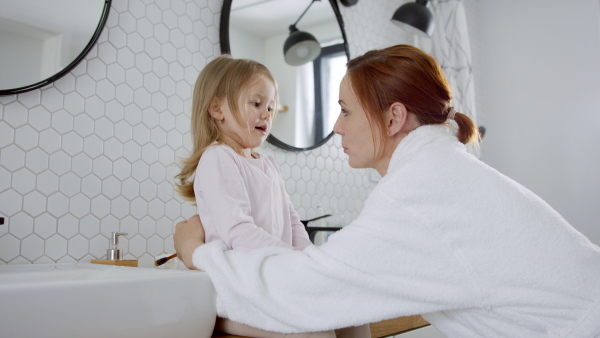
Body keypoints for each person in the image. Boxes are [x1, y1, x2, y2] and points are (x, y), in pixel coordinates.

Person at [174, 45, 600, 337]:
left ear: (394, 118)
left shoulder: (420, 194)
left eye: (344, 111)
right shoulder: (441, 173)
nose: (337, 126)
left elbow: (304, 291)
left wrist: (197, 254)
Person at [174, 55, 368, 338]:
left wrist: (312, 262)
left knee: (354, 314)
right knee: (317, 332)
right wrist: (295, 262)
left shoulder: (268, 165)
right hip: (235, 292)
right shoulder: (218, 158)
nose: (267, 114)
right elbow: (239, 233)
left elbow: (292, 223)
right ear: (217, 109)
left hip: (269, 282)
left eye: (271, 107)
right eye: (256, 104)